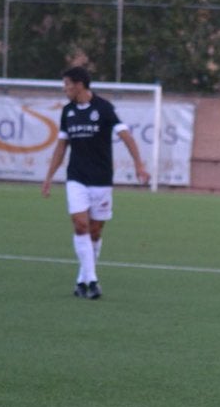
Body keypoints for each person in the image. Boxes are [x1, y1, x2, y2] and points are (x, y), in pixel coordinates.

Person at [41, 66, 150, 299]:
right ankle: (92, 281)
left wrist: (139, 164)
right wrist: (49, 177)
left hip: (101, 179)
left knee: (95, 232)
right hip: (76, 177)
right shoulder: (68, 112)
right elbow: (61, 147)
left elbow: (126, 136)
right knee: (80, 225)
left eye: (67, 84)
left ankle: (82, 280)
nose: (65, 89)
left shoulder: (104, 108)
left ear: (79, 84)